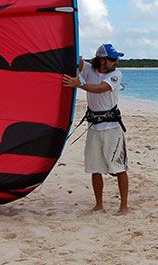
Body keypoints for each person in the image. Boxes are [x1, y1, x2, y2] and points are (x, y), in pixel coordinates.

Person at [62, 43, 129, 215]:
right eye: (112, 59)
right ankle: (99, 205)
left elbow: (101, 89)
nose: (116, 62)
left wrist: (79, 84)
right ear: (102, 59)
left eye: (116, 59)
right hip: (93, 126)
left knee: (119, 167)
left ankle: (124, 206)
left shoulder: (116, 74)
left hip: (112, 127)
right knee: (94, 167)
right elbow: (77, 58)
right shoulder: (90, 70)